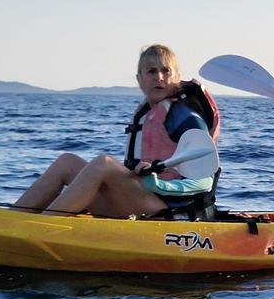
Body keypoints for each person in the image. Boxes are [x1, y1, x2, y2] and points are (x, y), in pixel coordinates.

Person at [14, 44, 220, 219]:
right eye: (151, 71)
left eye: (166, 71)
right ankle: (11, 220)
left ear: (176, 77)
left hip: (173, 211)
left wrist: (159, 185)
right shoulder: (150, 112)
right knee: (67, 162)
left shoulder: (184, 117)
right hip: (142, 200)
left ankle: (38, 228)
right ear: (139, 79)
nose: (159, 77)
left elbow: (204, 181)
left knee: (104, 164)